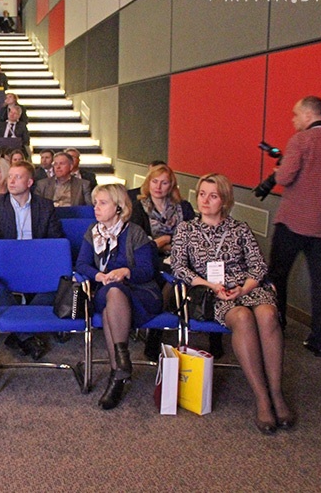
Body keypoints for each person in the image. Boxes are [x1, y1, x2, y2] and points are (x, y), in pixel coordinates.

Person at [171, 173, 292, 433]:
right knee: (242, 317)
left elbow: (258, 265)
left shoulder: (239, 228)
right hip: (212, 292)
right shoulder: (186, 230)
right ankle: (262, 397)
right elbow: (179, 267)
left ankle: (276, 392)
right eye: (202, 194)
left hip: (246, 287)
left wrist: (244, 288)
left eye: (213, 196)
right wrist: (211, 285)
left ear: (224, 201)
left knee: (268, 314)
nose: (205, 200)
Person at [76, 184, 162, 410]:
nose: (96, 208)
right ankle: (122, 363)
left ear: (119, 207)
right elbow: (81, 264)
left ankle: (118, 371)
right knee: (112, 292)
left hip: (140, 291)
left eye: (103, 203)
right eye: (95, 203)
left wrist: (125, 272)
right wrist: (99, 275)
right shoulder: (93, 232)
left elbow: (147, 270)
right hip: (105, 289)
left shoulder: (135, 232)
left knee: (110, 306)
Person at [0, 160, 62, 359]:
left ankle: (19, 334)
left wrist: (41, 260)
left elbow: (55, 240)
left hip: (38, 264)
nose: (11, 181)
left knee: (59, 286)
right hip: (7, 265)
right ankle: (28, 337)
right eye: (10, 177)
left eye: (18, 177)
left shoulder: (45, 206)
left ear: (30, 182)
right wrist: (1, 257)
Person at [268, 96, 321, 357]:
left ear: (308, 115)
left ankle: (277, 324)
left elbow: (284, 177)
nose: (294, 120)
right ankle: (319, 340)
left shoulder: (300, 140)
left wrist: (279, 168)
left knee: (277, 274)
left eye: (296, 114)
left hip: (293, 222)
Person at [128, 164, 211, 360]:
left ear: (171, 185)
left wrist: (166, 241)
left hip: (184, 258)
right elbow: (139, 243)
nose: (158, 187)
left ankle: (157, 335)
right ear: (148, 183)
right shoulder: (139, 207)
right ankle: (156, 335)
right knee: (170, 276)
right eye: (155, 182)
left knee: (193, 272)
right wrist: (164, 242)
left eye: (164, 183)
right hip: (151, 259)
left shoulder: (184, 207)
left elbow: (192, 236)